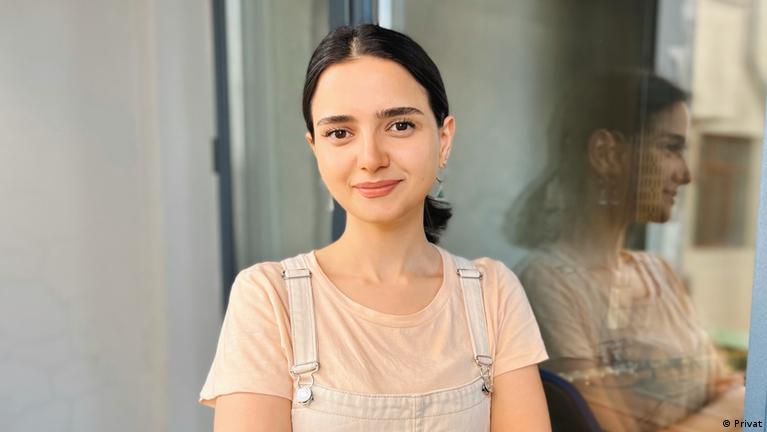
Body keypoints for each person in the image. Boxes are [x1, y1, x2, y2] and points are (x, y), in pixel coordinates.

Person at [199, 24, 551, 431]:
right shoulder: (269, 299)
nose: (370, 158)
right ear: (316, 149)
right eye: (340, 133)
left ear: (444, 139)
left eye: (400, 125)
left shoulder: (493, 295)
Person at [511, 71, 745, 431]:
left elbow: (726, 386)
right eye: (671, 148)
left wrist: (733, 405)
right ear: (607, 154)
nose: (686, 174)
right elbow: (736, 406)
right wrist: (735, 408)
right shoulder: (548, 283)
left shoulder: (660, 274)